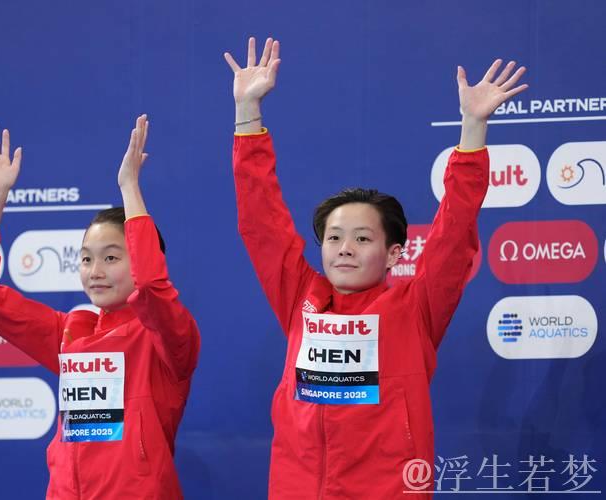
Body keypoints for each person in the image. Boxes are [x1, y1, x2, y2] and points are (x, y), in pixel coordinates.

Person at [224, 37, 527, 498]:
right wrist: (247, 112)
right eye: (334, 238)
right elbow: (261, 221)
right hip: (298, 487)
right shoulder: (301, 298)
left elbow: (453, 234)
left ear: (394, 254)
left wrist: (472, 130)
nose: (344, 249)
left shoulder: (415, 307)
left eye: (362, 238)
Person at [0, 115, 200, 499]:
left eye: (111, 258)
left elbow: (153, 286)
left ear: (143, 257)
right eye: (86, 259)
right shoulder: (71, 331)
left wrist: (129, 187)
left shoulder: (168, 338)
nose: (95, 272)